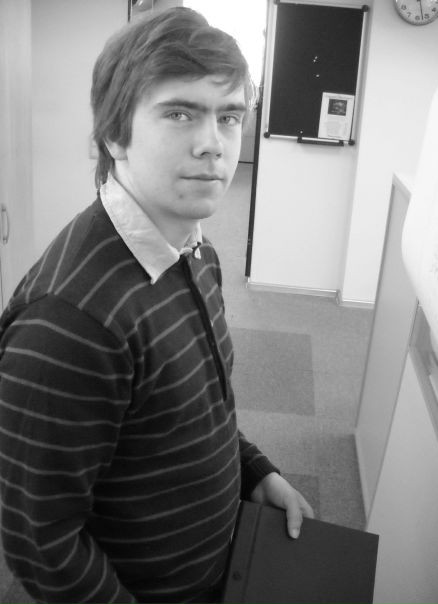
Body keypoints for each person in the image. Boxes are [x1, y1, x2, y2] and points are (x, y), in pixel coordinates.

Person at [0, 7, 313, 604]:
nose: (213, 145)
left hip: (216, 566)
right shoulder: (70, 323)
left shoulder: (195, 251)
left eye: (229, 117)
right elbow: (40, 544)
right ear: (114, 134)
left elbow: (195, 407)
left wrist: (253, 472)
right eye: (179, 113)